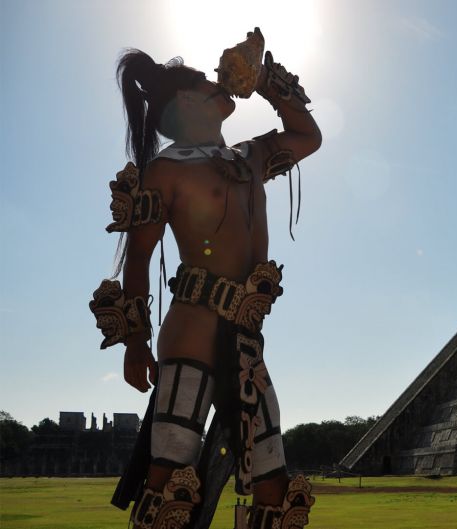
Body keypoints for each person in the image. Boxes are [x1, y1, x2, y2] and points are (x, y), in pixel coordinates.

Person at [90, 35, 321, 529]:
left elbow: (308, 135)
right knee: (168, 484)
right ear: (186, 102)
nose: (221, 84)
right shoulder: (166, 170)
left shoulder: (253, 155)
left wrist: (265, 82)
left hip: (247, 346)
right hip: (191, 334)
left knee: (275, 489)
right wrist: (135, 341)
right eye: (206, 82)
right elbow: (138, 259)